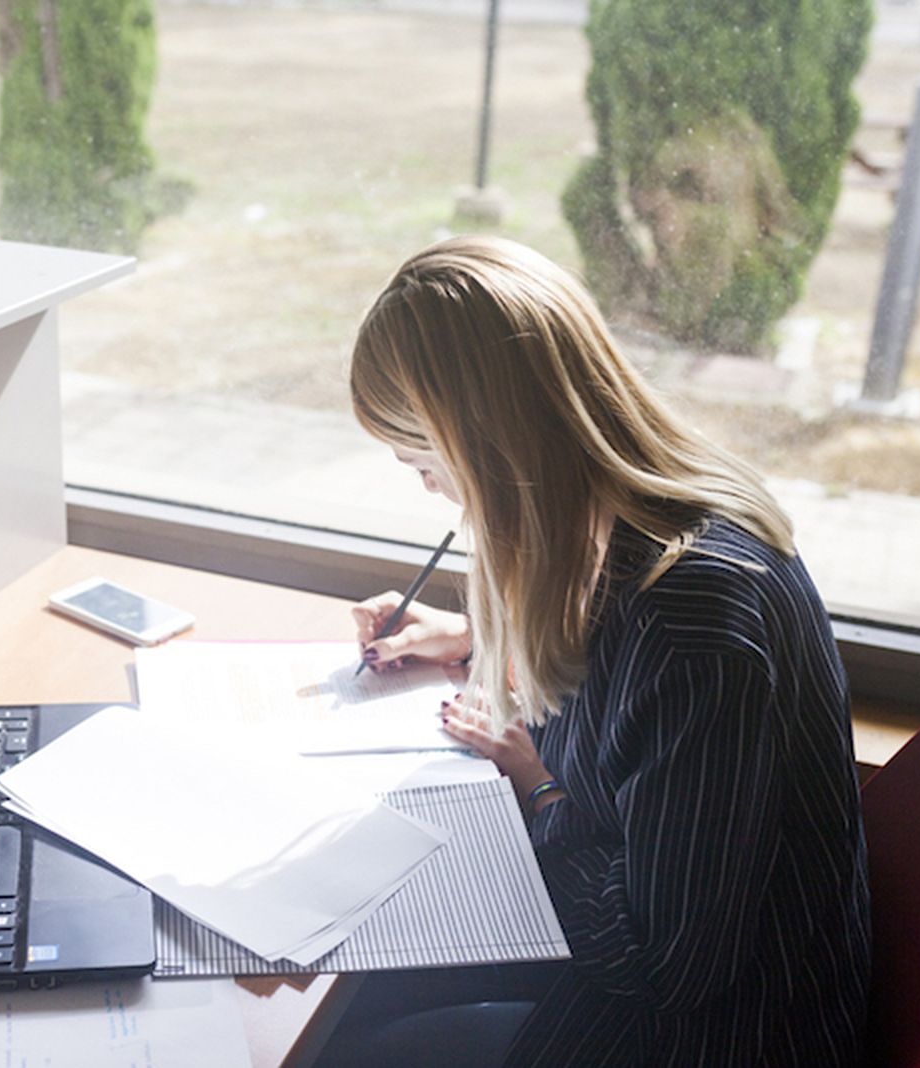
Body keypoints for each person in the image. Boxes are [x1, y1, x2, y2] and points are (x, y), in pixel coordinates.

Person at [321, 235, 871, 1066]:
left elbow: (662, 964)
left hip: (713, 1035)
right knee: (370, 981)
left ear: (488, 449)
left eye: (423, 461)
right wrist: (482, 638)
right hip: (663, 984)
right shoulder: (645, 520)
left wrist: (536, 788)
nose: (427, 487)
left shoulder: (691, 621)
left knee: (353, 1038)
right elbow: (625, 687)